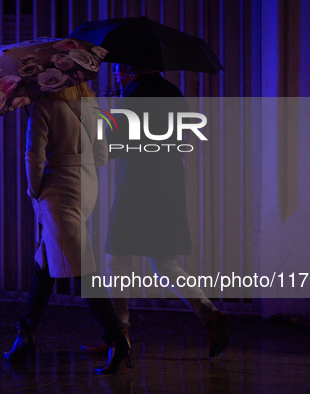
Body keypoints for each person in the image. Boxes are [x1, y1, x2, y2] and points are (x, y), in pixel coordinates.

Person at [81, 64, 230, 358]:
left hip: (136, 191)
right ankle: (208, 312)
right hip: (168, 190)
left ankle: (118, 337)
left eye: (117, 68)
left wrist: (99, 118)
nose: (115, 74)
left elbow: (114, 146)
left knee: (117, 264)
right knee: (165, 265)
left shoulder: (134, 97)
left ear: (130, 68)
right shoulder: (172, 93)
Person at [5, 82, 133, 374]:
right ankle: (25, 332)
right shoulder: (91, 104)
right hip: (87, 184)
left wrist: (34, 190)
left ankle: (117, 340)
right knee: (48, 260)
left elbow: (33, 154)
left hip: (58, 188)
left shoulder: (44, 104)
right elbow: (102, 153)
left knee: (81, 264)